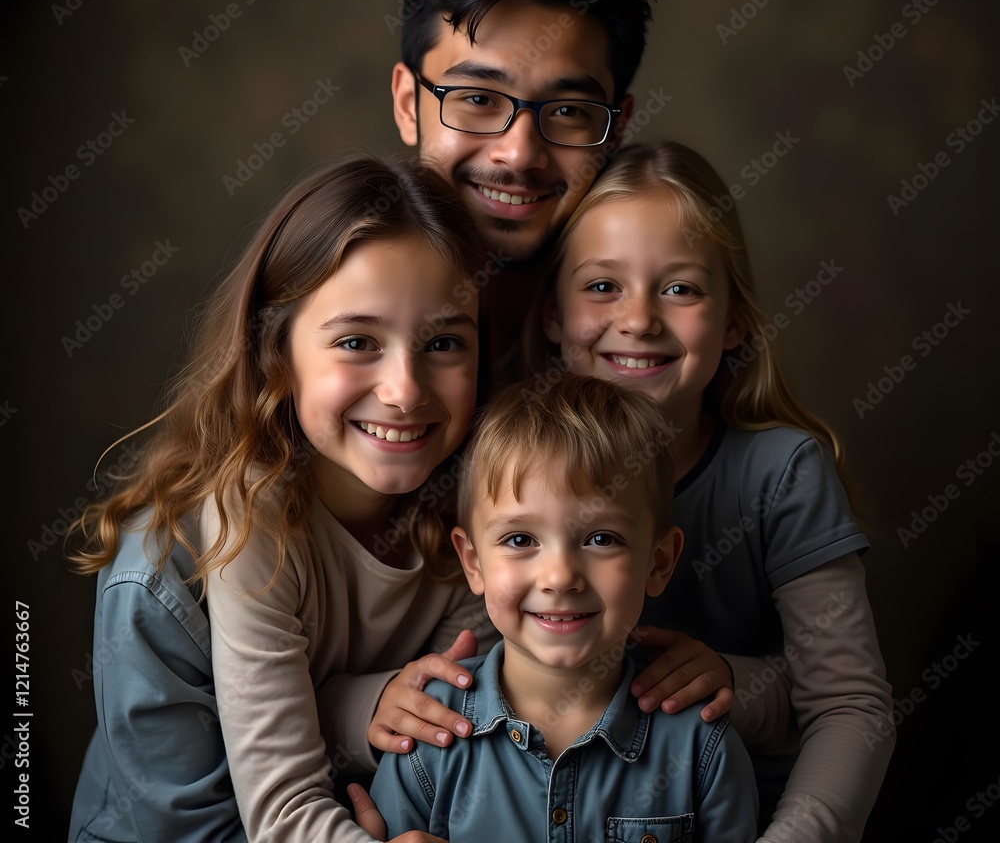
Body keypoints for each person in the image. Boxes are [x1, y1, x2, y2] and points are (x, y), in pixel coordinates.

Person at [66, 156, 499, 843]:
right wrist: (353, 711)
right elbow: (195, 829)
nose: (405, 390)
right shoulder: (165, 569)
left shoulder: (480, 527)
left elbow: (453, 752)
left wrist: (348, 708)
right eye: (357, 342)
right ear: (277, 354)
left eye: (444, 343)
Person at [524, 141, 895, 841]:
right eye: (602, 286)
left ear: (732, 321)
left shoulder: (782, 474)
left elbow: (849, 707)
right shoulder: (506, 471)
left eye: (681, 288)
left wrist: (734, 680)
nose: (638, 320)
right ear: (552, 315)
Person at [369, 374, 759, 842]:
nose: (558, 578)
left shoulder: (703, 747)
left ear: (658, 563)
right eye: (520, 539)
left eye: (600, 539)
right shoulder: (426, 740)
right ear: (473, 562)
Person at [389, 0, 658, 383]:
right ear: (409, 104)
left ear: (616, 130)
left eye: (570, 111)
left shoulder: (652, 352)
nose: (519, 153)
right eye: (478, 99)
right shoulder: (309, 330)